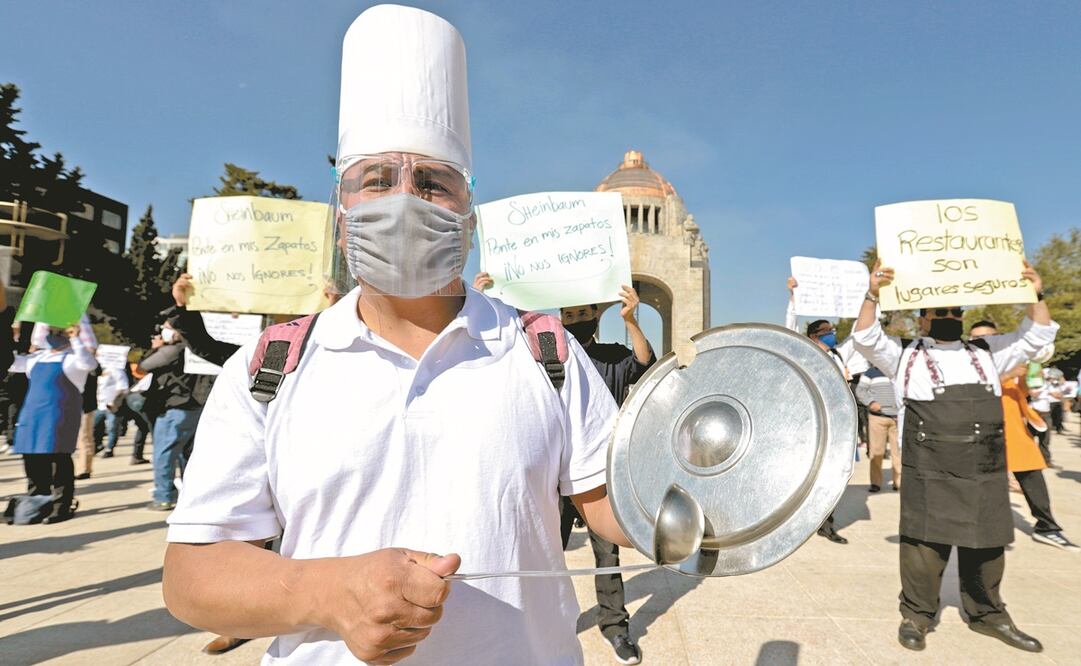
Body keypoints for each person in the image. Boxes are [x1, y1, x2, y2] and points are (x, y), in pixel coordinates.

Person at [162, 7, 629, 665]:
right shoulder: (271, 366)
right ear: (341, 205)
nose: (404, 202)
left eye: (433, 182)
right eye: (375, 180)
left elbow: (613, 505)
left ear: (467, 207)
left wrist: (710, 491)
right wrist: (325, 590)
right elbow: (191, 576)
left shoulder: (542, 350)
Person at [853, 260, 1056, 653]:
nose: (949, 317)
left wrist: (1036, 293)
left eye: (954, 312)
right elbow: (865, 337)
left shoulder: (988, 352)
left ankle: (989, 615)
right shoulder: (904, 355)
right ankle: (916, 615)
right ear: (923, 319)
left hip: (982, 465)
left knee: (987, 544)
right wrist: (872, 293)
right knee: (923, 548)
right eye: (940, 312)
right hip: (929, 466)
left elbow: (1039, 335)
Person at [549, 285, 654, 665]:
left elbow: (644, 364)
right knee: (546, 554)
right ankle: (545, 623)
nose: (576, 321)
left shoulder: (612, 355)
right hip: (553, 477)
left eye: (582, 314)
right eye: (569, 315)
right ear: (560, 319)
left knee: (606, 554)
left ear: (596, 315)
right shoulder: (545, 356)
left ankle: (615, 627)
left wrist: (629, 321)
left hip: (597, 473)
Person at [971, 321, 1078, 553]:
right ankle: (983, 530)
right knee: (982, 486)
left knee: (1032, 476)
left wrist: (1033, 371)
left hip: (1013, 431)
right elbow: (973, 392)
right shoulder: (966, 364)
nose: (981, 343)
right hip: (979, 433)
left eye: (987, 337)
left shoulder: (1015, 360)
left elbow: (1031, 389)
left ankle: (1047, 526)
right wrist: (1006, 374)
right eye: (975, 338)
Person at [785, 278, 853, 544]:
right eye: (826, 330)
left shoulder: (840, 355)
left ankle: (826, 523)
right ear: (813, 336)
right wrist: (792, 298)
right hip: (806, 422)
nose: (831, 333)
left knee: (832, 473)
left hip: (835, 422)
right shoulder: (804, 352)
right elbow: (789, 330)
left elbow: (861, 335)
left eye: (832, 329)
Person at [10, 324, 97, 523]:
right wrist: (12, 337)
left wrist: (76, 339)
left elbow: (89, 364)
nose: (54, 336)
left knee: (58, 461)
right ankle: (37, 502)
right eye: (51, 332)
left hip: (59, 415)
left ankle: (62, 504)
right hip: (32, 415)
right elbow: (11, 362)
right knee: (32, 459)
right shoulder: (36, 359)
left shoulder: (74, 359)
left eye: (59, 332)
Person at [138, 319, 212, 510]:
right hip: (196, 408)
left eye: (167, 328)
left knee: (164, 454)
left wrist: (156, 348)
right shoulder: (202, 349)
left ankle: (164, 496)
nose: (163, 331)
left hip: (176, 408)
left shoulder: (173, 350)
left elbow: (144, 366)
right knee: (189, 455)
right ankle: (191, 495)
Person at [855, 365, 900, 491]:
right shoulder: (870, 373)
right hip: (877, 418)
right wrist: (870, 402)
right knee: (877, 452)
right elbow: (860, 391)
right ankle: (875, 483)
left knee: (898, 452)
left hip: (897, 418)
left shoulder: (898, 370)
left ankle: (899, 482)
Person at [93, 363, 129, 458]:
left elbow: (123, 388)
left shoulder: (116, 370)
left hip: (111, 405)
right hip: (99, 404)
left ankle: (109, 449)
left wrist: (115, 401)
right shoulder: (97, 370)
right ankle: (98, 444)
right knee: (94, 426)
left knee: (112, 428)